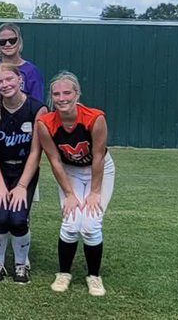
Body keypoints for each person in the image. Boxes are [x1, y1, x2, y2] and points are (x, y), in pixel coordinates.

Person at [36, 71, 114, 297]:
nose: (62, 98)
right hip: (69, 171)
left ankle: (94, 276)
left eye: (67, 92)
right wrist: (69, 193)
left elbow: (98, 156)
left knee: (91, 223)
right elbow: (54, 160)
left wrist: (95, 192)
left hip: (98, 171)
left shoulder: (95, 117)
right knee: (71, 222)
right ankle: (64, 273)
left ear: (77, 94)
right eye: (56, 94)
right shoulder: (45, 123)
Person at [0, 63, 45, 284]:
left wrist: (21, 186)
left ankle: (21, 265)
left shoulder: (37, 108)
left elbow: (36, 152)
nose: (4, 84)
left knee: (18, 219)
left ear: (20, 80)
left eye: (9, 79)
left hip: (23, 170)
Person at [0, 23, 45, 102]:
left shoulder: (32, 71)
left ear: (19, 41)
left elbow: (38, 105)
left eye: (12, 40)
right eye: (2, 41)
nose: (8, 44)